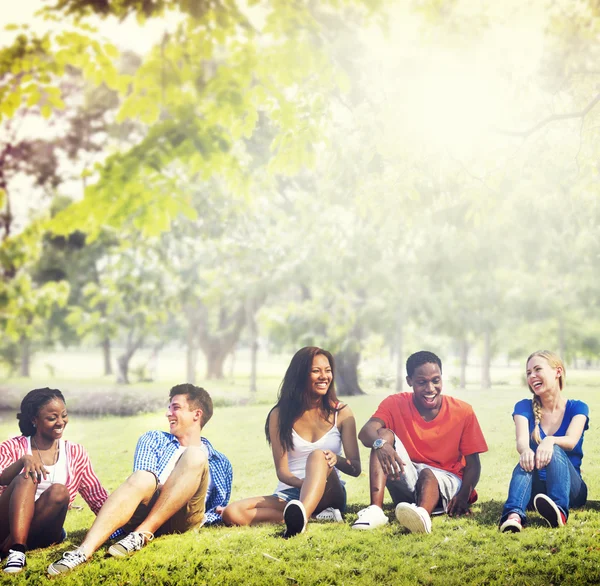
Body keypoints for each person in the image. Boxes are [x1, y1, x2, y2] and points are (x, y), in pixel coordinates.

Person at [48, 383, 232, 575]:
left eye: (176, 407)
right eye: (169, 408)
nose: (168, 414)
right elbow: (141, 484)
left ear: (197, 414)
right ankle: (82, 551)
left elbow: (215, 509)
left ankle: (141, 534)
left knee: (195, 455)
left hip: (183, 519)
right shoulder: (153, 439)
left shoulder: (220, 462)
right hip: (145, 510)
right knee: (144, 476)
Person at [222, 346, 361, 537]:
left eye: (328, 371)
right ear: (300, 375)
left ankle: (301, 518)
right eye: (316, 371)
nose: (324, 376)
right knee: (232, 513)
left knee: (317, 455)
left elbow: (356, 468)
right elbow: (283, 472)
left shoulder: (341, 412)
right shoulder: (279, 415)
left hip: (329, 493)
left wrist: (337, 460)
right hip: (290, 493)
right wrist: (306, 484)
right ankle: (309, 516)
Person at [353, 350, 488, 533]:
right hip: (409, 477)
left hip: (447, 479)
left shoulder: (463, 411)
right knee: (382, 434)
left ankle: (422, 516)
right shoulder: (394, 403)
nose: (430, 388)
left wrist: (463, 496)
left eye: (436, 380)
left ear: (442, 378)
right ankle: (375, 510)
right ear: (410, 381)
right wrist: (381, 445)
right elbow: (366, 432)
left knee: (427, 473)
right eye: (422, 382)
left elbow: (474, 465)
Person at [0, 388, 108, 575]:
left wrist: (126, 524)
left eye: (64, 415)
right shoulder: (13, 446)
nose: (60, 422)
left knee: (59, 491)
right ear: (34, 420)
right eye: (52, 418)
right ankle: (16, 550)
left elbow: (97, 498)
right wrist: (23, 461)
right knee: (28, 477)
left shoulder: (75, 453)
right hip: (5, 523)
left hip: (45, 529)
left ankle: (7, 549)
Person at [500, 351, 588, 532]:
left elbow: (571, 441)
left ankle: (559, 511)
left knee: (553, 447)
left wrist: (550, 441)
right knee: (526, 460)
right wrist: (525, 451)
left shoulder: (578, 407)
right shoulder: (523, 406)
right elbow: (522, 441)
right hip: (537, 490)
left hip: (573, 490)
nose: (532, 376)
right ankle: (514, 516)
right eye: (528, 373)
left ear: (557, 372)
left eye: (538, 369)